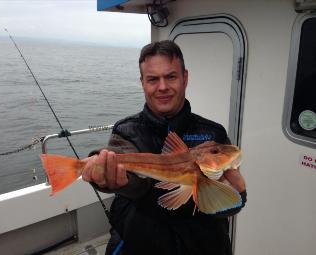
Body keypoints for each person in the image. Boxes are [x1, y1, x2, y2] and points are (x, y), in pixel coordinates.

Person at [82, 40, 247, 255]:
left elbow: (225, 201)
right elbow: (134, 180)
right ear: (142, 82)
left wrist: (236, 198)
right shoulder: (126, 131)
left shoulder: (213, 133)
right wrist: (109, 177)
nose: (162, 87)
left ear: (185, 78)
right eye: (152, 79)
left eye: (171, 76)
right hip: (141, 246)